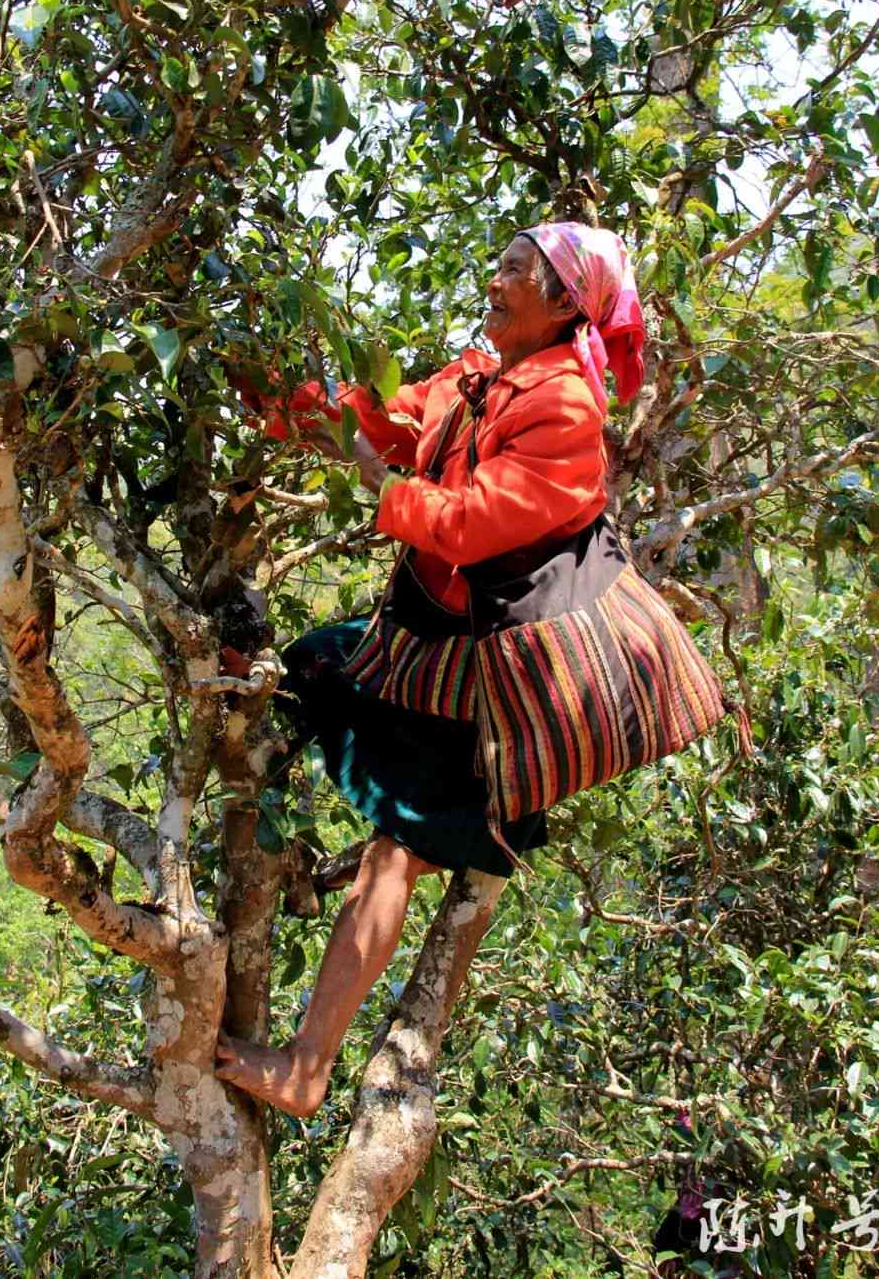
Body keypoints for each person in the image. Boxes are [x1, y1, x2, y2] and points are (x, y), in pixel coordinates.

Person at [216, 224, 646, 1117]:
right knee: (304, 672)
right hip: (426, 643)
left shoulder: (566, 405)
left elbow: (469, 526)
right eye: (499, 259)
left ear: (565, 301)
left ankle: (306, 1068)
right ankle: (281, 862)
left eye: (515, 268)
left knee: (392, 859)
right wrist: (262, 391)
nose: (494, 278)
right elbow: (382, 418)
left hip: (482, 681)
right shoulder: (485, 372)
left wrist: (380, 481)